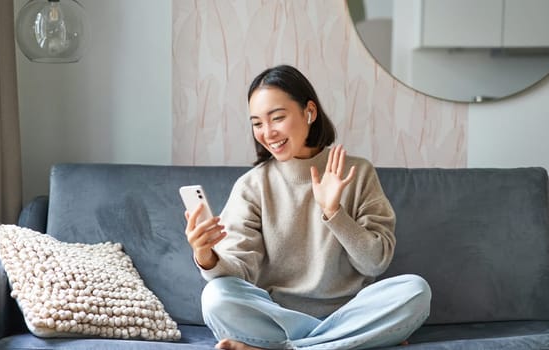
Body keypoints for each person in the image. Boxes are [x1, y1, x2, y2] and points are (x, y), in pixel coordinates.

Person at [183, 64, 431, 350]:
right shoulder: (252, 186)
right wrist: (206, 256)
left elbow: (375, 262)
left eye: (277, 118)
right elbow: (241, 273)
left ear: (309, 112)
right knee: (215, 297)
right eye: (257, 123)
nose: (267, 132)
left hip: (348, 312)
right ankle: (343, 343)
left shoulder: (358, 173)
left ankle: (286, 347)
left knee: (415, 291)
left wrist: (334, 213)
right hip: (279, 316)